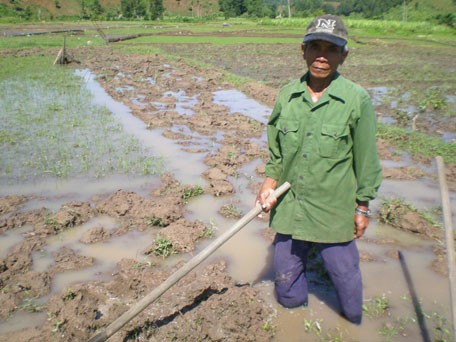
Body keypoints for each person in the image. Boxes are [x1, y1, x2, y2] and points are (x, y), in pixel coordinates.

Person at [256, 14, 382, 324]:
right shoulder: (287, 94)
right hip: (290, 206)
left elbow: (366, 158)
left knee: (348, 289)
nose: (322, 57)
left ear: (344, 55)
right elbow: (276, 151)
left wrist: (362, 207)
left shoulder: (356, 99)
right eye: (315, 47)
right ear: (303, 50)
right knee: (286, 290)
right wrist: (268, 184)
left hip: (332, 208)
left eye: (331, 49)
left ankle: (352, 324)